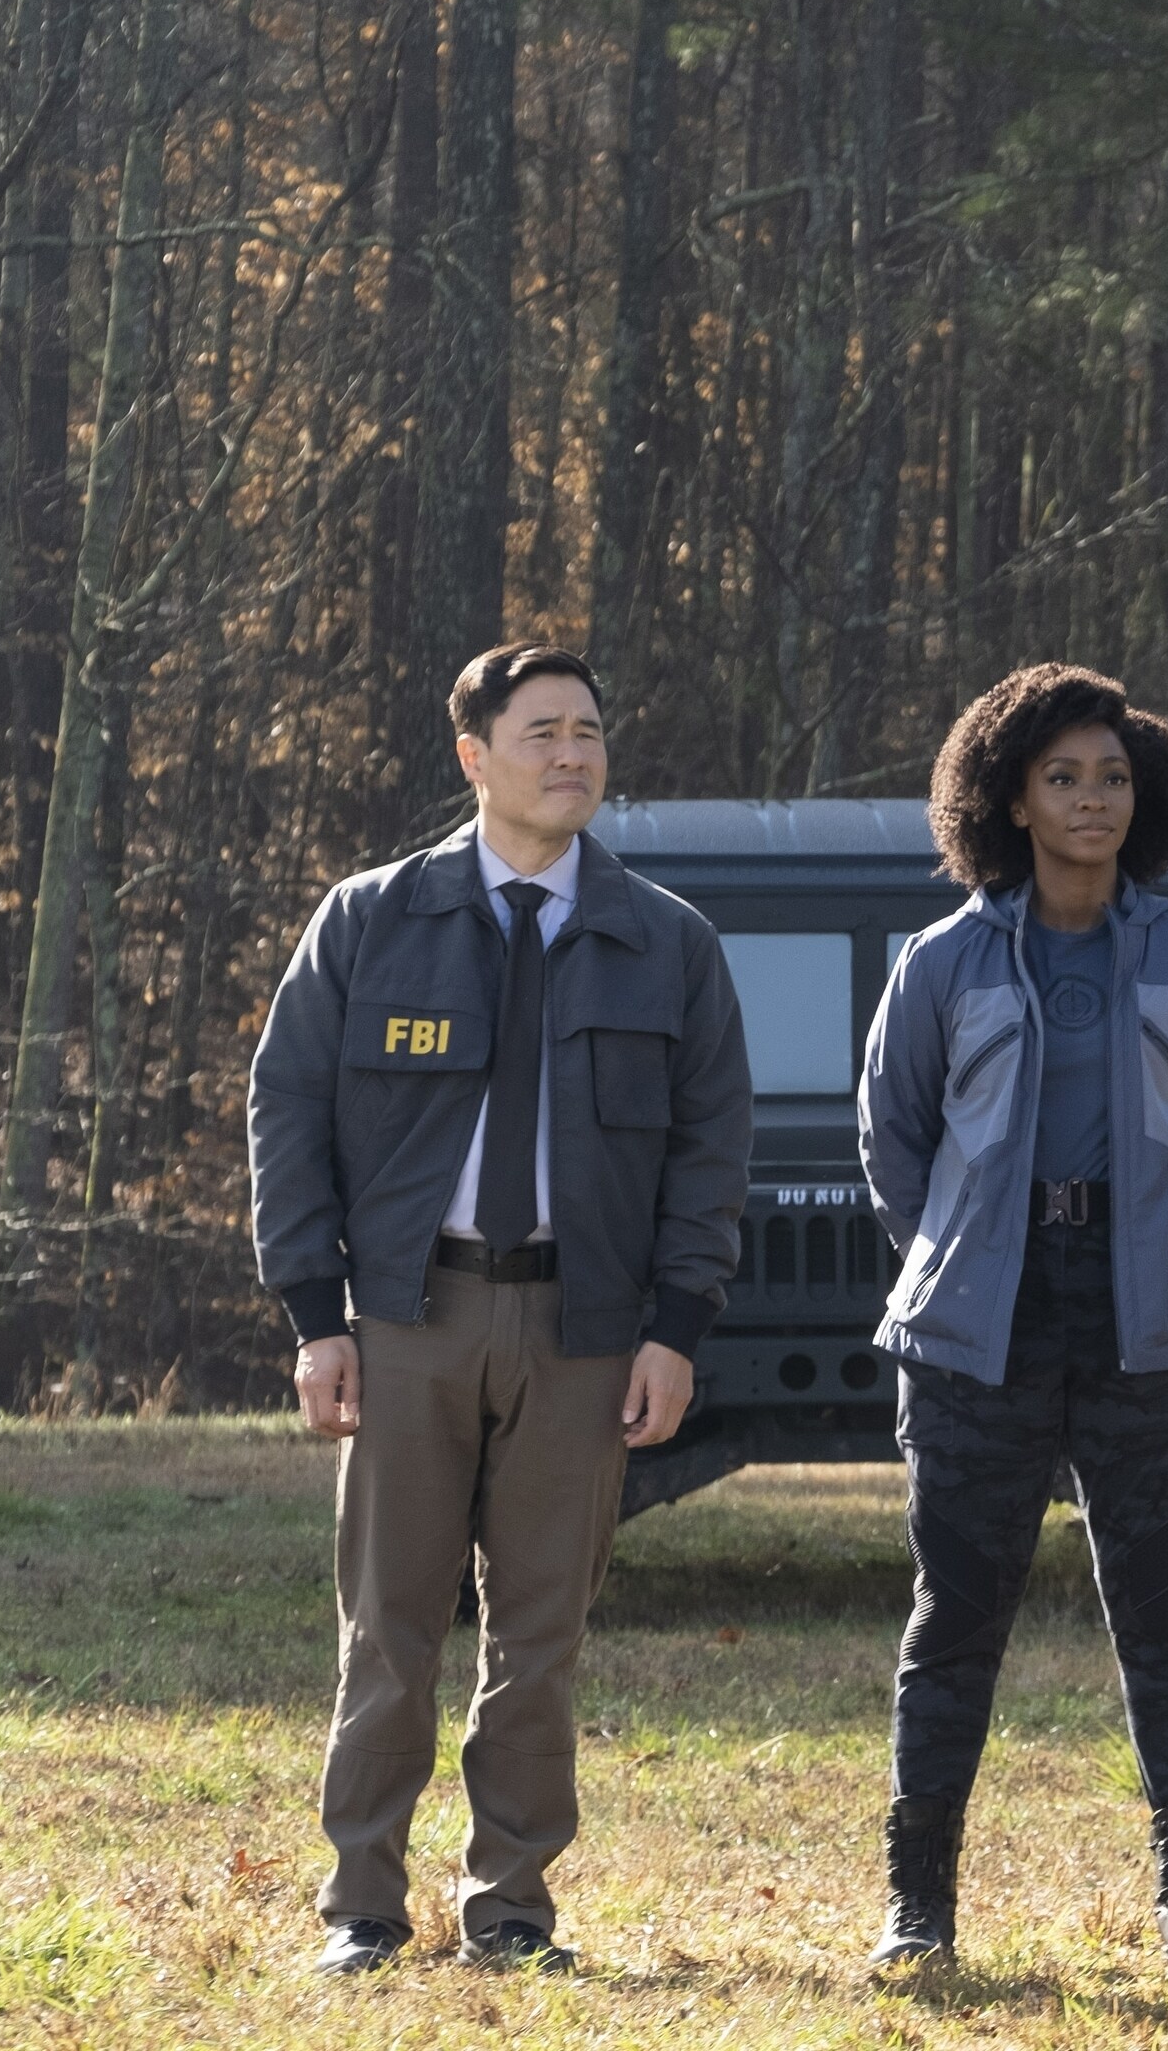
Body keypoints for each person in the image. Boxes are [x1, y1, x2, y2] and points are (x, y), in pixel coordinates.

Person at [248, 642, 754, 1976]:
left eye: (589, 731)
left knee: (541, 1638)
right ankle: (362, 1909)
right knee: (389, 1630)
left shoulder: (668, 944)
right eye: (542, 733)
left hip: (584, 1331)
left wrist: (676, 1328)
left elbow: (712, 1152)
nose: (573, 755)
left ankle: (511, 1913)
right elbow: (287, 1113)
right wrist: (317, 1312)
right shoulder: (370, 919)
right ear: (476, 757)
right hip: (411, 1318)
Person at [858, 663, 1168, 1975]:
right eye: (1062, 778)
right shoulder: (941, 961)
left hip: (1157, 1331)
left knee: (1166, 1618)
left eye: (1114, 778)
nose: (1091, 800)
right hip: (982, 1327)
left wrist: (1143, 1235)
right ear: (1009, 800)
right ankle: (918, 1909)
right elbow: (895, 1142)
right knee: (957, 1612)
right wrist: (974, 1254)